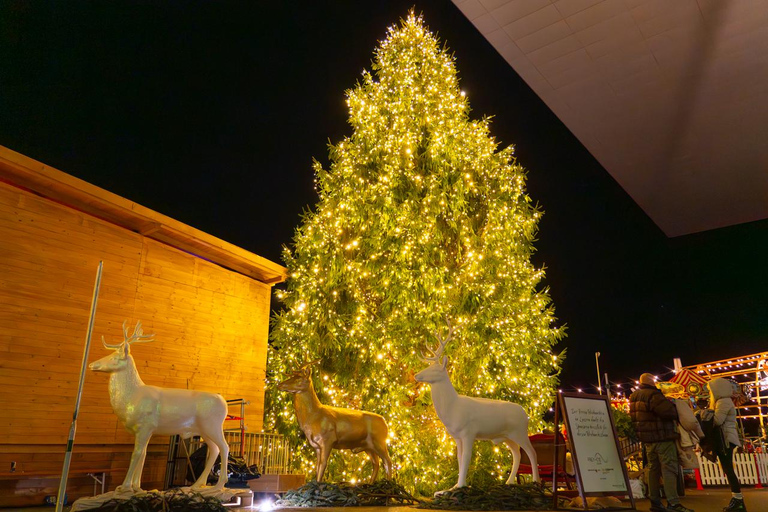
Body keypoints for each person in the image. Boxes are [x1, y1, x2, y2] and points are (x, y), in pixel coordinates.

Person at [629, 373, 693, 512]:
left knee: (653, 469)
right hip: (662, 436)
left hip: (648, 440)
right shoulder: (654, 395)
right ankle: (673, 503)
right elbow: (668, 413)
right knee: (669, 468)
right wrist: (673, 405)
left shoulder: (634, 396)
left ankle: (655, 501)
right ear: (651, 381)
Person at [710, 377, 747, 511]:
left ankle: (738, 499)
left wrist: (705, 415)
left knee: (728, 469)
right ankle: (737, 498)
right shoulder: (725, 401)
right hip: (726, 438)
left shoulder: (723, 401)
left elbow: (718, 420)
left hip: (725, 439)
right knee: (727, 468)